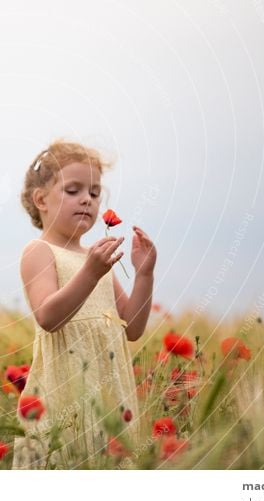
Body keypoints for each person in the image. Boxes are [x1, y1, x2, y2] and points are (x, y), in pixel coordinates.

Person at [12, 139, 157, 469]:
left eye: (94, 193)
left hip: (108, 397)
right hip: (63, 397)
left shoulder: (97, 259)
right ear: (41, 200)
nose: (87, 200)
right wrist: (91, 272)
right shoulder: (41, 252)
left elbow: (132, 328)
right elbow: (48, 316)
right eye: (73, 190)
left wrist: (144, 275)